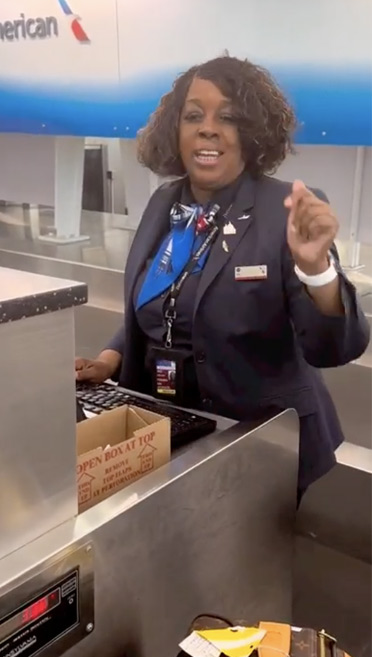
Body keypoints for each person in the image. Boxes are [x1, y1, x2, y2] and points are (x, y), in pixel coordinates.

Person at [74, 55, 370, 497]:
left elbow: (334, 348)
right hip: (168, 426)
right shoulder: (163, 203)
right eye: (194, 115)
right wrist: (110, 358)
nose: (207, 128)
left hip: (259, 440)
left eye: (228, 117)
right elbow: (163, 301)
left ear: (251, 134)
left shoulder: (283, 209)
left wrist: (316, 271)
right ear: (176, 129)